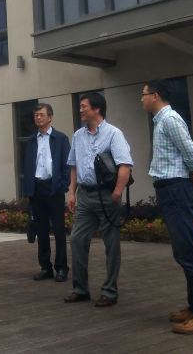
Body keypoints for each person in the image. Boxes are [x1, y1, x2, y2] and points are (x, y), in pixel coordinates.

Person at [140, 80, 193, 335]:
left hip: (177, 190)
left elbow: (191, 152)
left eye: (144, 94)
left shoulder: (170, 119)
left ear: (155, 96)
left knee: (188, 252)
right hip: (169, 190)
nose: (141, 99)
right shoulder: (161, 121)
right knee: (182, 251)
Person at [64, 92, 133, 308]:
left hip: (107, 194)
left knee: (111, 243)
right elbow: (74, 166)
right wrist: (72, 192)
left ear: (97, 109)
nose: (80, 110)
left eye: (84, 106)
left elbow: (125, 165)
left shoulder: (114, 134)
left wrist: (117, 192)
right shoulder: (78, 136)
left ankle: (109, 291)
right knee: (77, 239)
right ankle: (80, 289)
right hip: (85, 195)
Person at [21, 103, 71, 282]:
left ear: (50, 117)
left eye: (41, 115)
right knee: (41, 230)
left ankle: (61, 268)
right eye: (36, 115)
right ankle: (45, 267)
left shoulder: (61, 138)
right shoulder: (31, 141)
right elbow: (27, 166)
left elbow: (67, 164)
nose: (38, 118)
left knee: (58, 230)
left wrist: (63, 185)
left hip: (54, 188)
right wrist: (29, 189)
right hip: (37, 189)